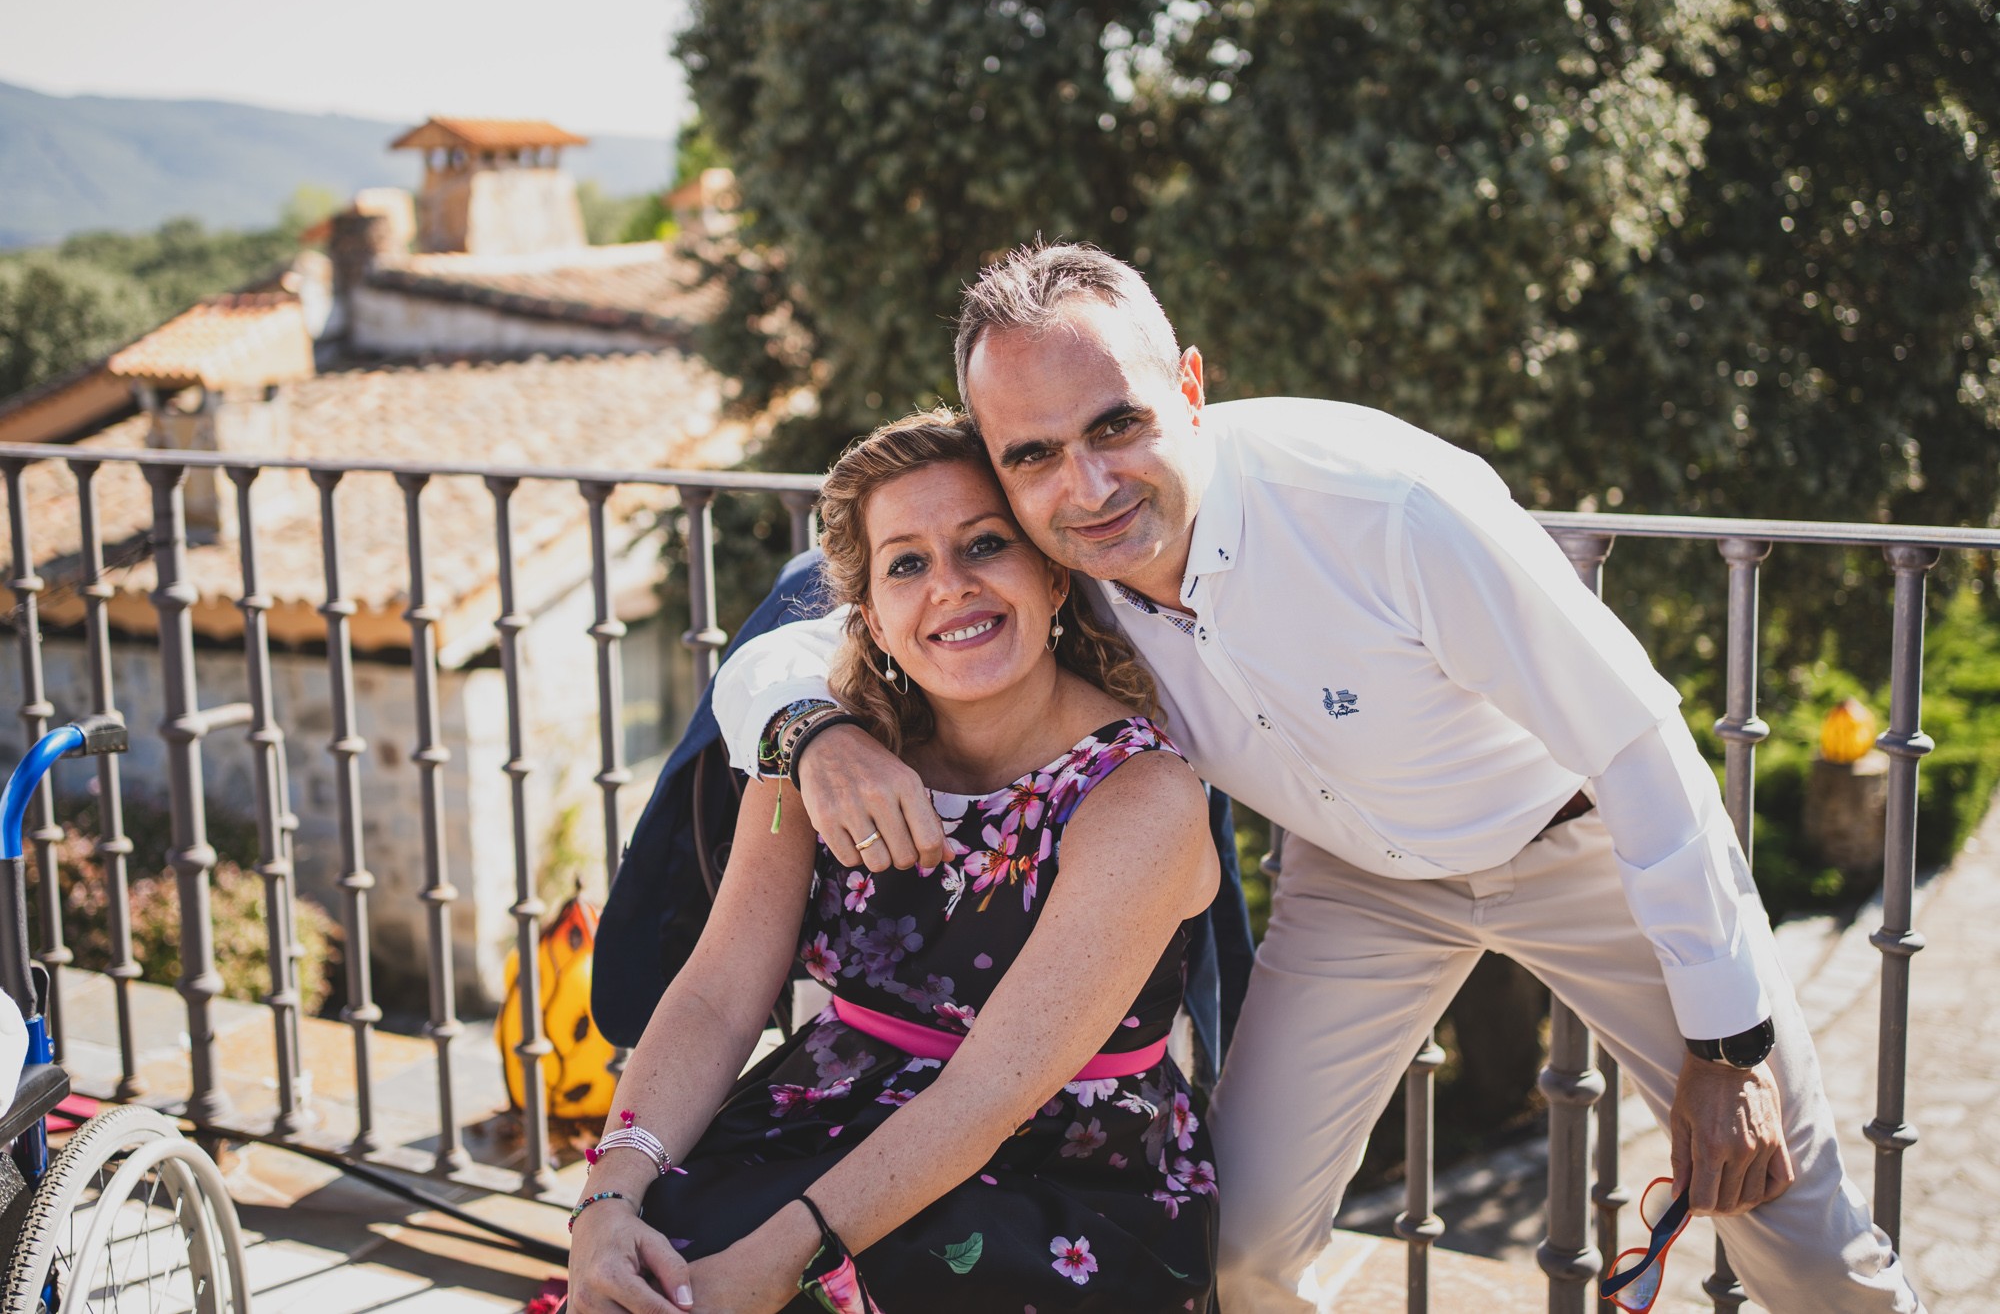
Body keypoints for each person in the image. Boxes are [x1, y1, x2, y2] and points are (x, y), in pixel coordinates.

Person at [710, 242, 1926, 1312]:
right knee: (1237, 1249)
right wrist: (813, 735)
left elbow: (1635, 737)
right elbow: (787, 646)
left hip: (1578, 845)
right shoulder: (1045, 553)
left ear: (1190, 388)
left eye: (1116, 425)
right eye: (1033, 454)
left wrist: (1728, 1043)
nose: (1086, 485)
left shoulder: (1386, 507)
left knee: (1796, 1236)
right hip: (1354, 882)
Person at [567, 409, 1221, 1314]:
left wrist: (778, 1264)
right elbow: (718, 992)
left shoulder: (1138, 797)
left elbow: (987, 1093)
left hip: (1061, 1172)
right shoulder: (825, 757)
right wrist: (608, 1195)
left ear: (1051, 572)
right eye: (906, 563)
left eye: (985, 544)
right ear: (869, 614)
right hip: (823, 1114)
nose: (949, 585)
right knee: (645, 1264)